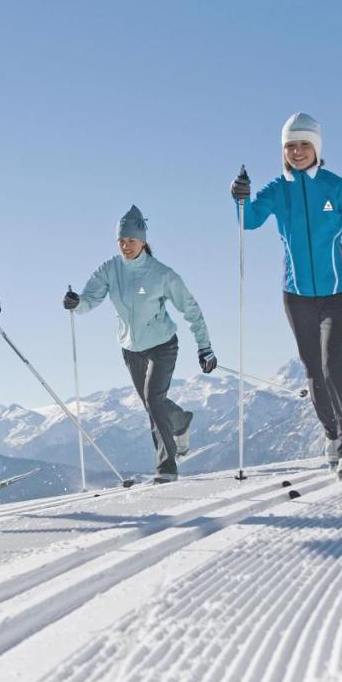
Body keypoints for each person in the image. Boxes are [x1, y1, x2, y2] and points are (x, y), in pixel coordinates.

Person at [230, 112, 342, 478]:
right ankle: (332, 433)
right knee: (314, 371)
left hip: (339, 291)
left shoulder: (336, 187)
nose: (297, 152)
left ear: (316, 148)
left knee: (335, 365)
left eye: (303, 145)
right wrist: (239, 199)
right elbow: (249, 222)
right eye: (290, 146)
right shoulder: (276, 190)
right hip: (296, 295)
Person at [64, 206, 217, 483]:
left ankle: (166, 467)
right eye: (121, 241)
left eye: (131, 241)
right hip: (130, 349)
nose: (125, 246)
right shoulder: (110, 269)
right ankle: (180, 420)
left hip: (162, 345)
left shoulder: (161, 274)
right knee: (152, 404)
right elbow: (90, 300)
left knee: (153, 399)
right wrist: (77, 303)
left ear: (143, 241)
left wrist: (204, 346)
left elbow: (190, 308)